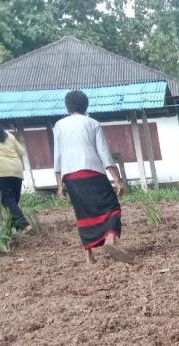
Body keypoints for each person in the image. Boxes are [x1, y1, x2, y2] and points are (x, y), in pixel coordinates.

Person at [53, 90, 130, 263]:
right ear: (86, 105)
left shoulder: (59, 126)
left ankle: (89, 254)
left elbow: (57, 157)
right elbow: (104, 154)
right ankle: (110, 239)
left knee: (83, 212)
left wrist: (59, 184)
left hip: (70, 176)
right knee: (112, 207)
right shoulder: (92, 123)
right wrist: (117, 180)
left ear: (67, 107)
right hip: (93, 171)